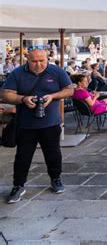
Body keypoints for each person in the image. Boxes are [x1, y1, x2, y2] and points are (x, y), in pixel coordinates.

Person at [2, 47, 74, 204]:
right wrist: (23, 99)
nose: (38, 64)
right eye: (34, 61)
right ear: (27, 59)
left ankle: (56, 179)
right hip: (25, 124)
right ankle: (18, 185)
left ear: (47, 58)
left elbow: (69, 90)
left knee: (53, 153)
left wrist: (53, 96)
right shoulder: (18, 73)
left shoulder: (56, 71)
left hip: (51, 122)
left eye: (42, 61)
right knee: (22, 156)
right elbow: (5, 94)